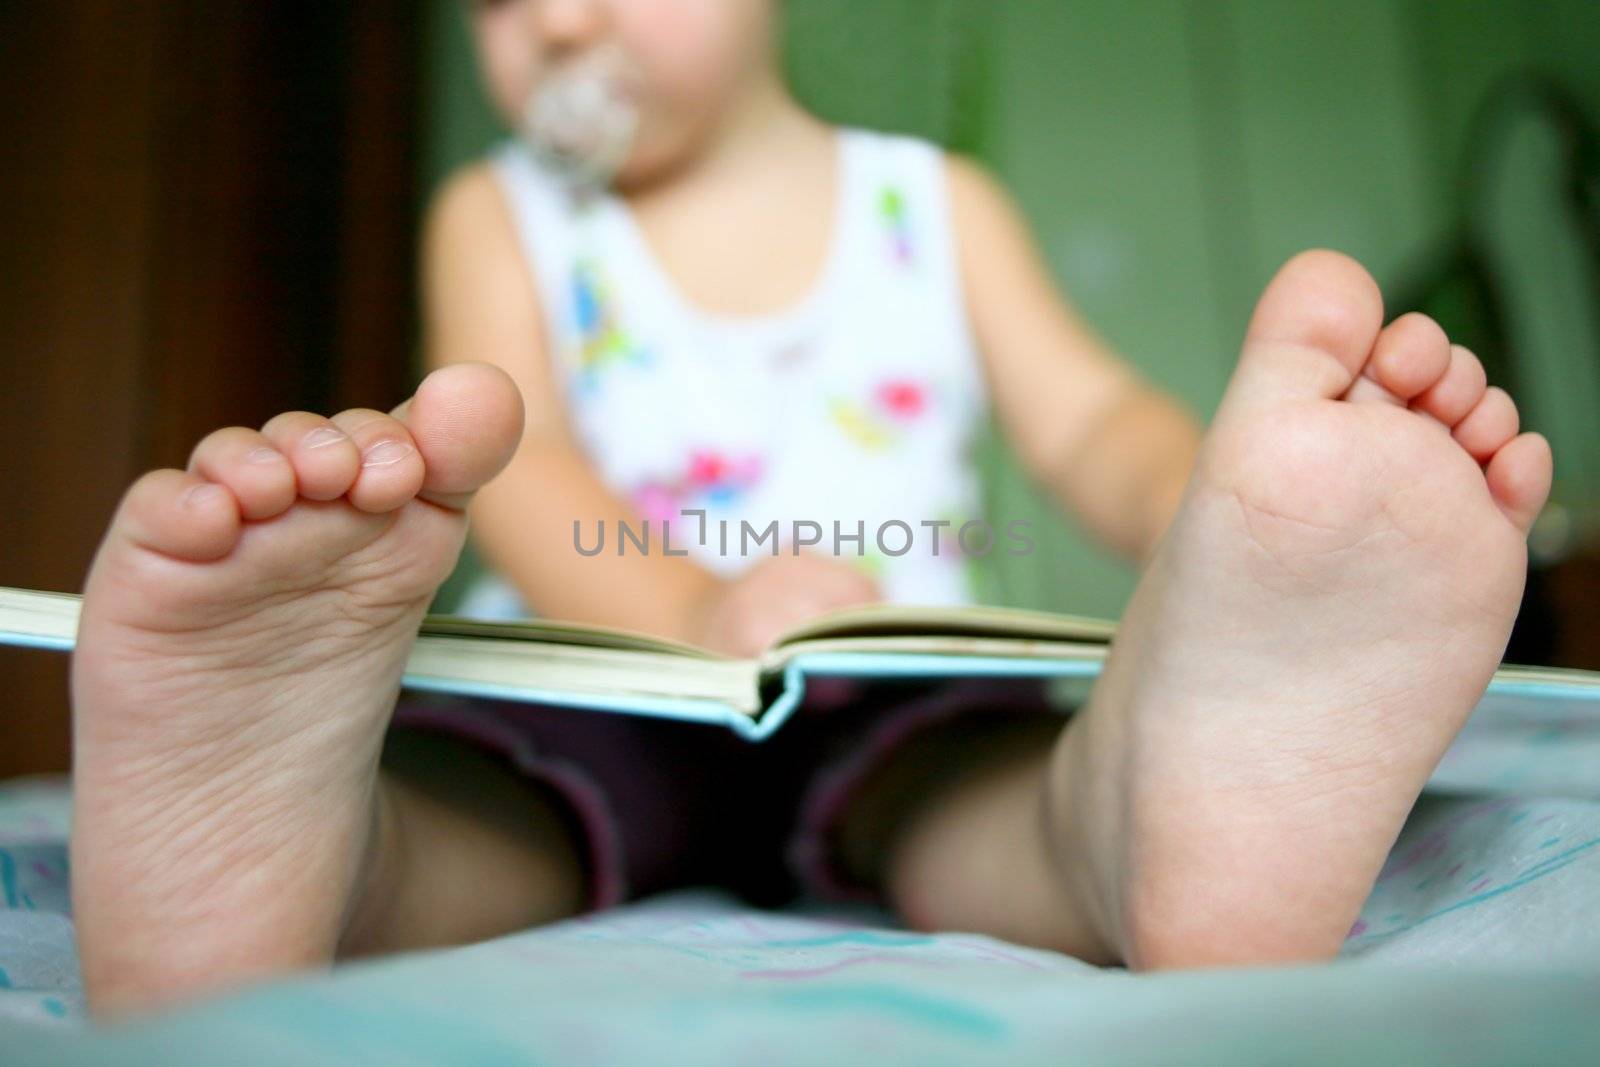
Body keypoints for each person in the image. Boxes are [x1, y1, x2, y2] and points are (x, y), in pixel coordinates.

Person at [68, 0, 1552, 1015]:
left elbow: (1090, 420)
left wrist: (1206, 514)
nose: (556, 29)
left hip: (880, 685)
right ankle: (307, 866)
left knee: (977, 799)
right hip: (610, 678)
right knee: (486, 811)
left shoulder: (934, 205)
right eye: (502, 9)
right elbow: (524, 473)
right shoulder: (499, 212)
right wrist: (702, 617)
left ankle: (1146, 830)